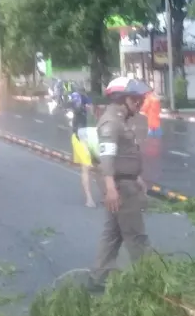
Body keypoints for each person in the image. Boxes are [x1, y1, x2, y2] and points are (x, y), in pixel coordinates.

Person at [89, 76, 153, 289]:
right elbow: (107, 157)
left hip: (125, 183)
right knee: (136, 236)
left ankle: (98, 278)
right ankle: (151, 281)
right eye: (135, 98)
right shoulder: (111, 123)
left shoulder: (121, 121)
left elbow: (124, 156)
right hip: (121, 188)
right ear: (122, 98)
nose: (139, 103)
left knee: (113, 234)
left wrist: (138, 177)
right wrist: (110, 188)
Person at [66, 86, 96, 207]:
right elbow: (90, 110)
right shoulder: (83, 98)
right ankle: (90, 198)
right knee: (89, 167)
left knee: (88, 168)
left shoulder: (76, 99)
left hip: (82, 135)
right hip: (83, 136)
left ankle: (91, 199)